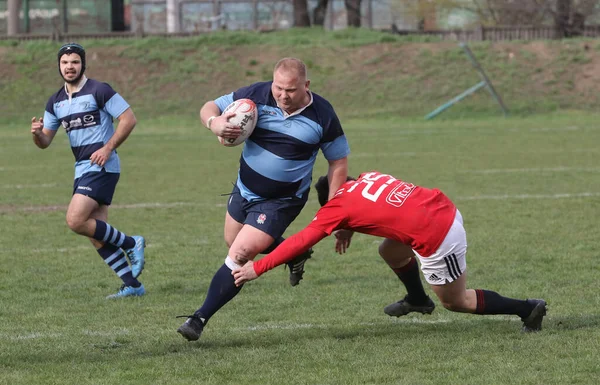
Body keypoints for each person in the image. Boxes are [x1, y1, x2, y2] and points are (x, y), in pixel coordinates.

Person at [232, 171, 548, 333]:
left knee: (455, 301)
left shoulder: (335, 208)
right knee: (390, 251)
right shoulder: (370, 176)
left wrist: (255, 269)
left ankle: (527, 308)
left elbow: (298, 242)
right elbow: (376, 203)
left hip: (438, 234)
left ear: (328, 201)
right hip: (441, 208)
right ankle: (417, 299)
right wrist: (348, 225)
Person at [176, 57, 351, 341]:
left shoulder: (322, 114)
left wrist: (336, 210)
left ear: (306, 86)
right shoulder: (257, 94)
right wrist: (215, 122)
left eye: (291, 90)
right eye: (278, 88)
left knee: (241, 253)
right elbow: (210, 106)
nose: (282, 95)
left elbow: (338, 162)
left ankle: (199, 318)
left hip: (282, 201)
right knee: (233, 241)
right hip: (244, 189)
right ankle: (294, 252)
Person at [29, 43, 146, 299]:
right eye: (65, 62)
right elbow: (45, 142)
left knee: (75, 220)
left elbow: (129, 119)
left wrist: (108, 148)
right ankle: (133, 285)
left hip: (103, 166)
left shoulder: (99, 90)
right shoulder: (56, 101)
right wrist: (38, 135)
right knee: (96, 232)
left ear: (83, 64)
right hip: (81, 168)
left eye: (74, 62)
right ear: (59, 66)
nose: (69, 67)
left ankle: (131, 242)